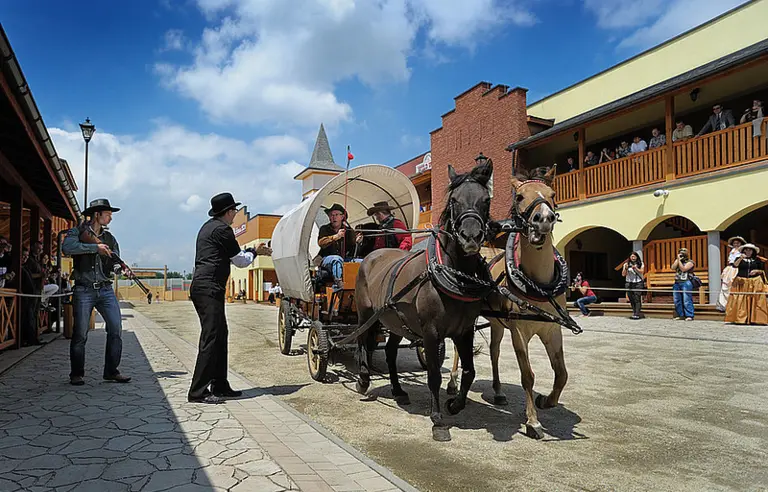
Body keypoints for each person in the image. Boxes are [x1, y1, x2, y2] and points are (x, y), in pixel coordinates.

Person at [188, 192, 272, 404]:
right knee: (211, 337)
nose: (235, 212)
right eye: (234, 209)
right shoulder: (223, 230)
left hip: (206, 287)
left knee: (220, 334)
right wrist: (256, 251)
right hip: (209, 288)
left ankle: (220, 385)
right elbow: (241, 261)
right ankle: (198, 391)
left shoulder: (208, 227)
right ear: (227, 212)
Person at [62, 198, 130, 386]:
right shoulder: (77, 232)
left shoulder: (110, 239)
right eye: (107, 214)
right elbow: (67, 247)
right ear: (97, 214)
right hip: (83, 289)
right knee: (80, 333)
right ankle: (76, 374)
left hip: (106, 289)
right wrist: (95, 248)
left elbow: (115, 262)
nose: (110, 218)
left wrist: (121, 269)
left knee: (116, 329)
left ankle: (111, 371)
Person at [317, 204, 363, 292]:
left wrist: (357, 242)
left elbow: (353, 250)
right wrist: (336, 236)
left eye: (336, 215)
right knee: (336, 259)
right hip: (326, 259)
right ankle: (339, 284)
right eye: (331, 215)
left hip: (344, 259)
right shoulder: (324, 229)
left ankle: (361, 284)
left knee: (361, 262)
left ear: (342, 217)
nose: (333, 217)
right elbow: (321, 243)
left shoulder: (349, 231)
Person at [725, 244, 768, 325]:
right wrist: (741, 258)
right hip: (742, 281)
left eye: (750, 250)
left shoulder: (757, 260)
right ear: (744, 250)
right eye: (746, 250)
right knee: (740, 299)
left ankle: (755, 318)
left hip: (754, 281)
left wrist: (756, 271)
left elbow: (761, 270)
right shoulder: (739, 258)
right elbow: (735, 266)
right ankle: (740, 318)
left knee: (756, 299)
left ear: (753, 251)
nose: (748, 251)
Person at [20, 246, 44, 346]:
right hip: (26, 296)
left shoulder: (27, 266)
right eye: (23, 256)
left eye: (26, 256)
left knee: (32, 316)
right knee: (28, 317)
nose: (25, 258)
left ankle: (33, 338)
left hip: (33, 294)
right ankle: (28, 339)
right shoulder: (24, 266)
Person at [717, 236, 746, 311]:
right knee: (725, 286)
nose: (736, 244)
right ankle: (724, 304)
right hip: (730, 269)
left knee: (733, 286)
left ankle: (734, 305)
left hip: (737, 269)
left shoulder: (742, 252)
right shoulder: (732, 251)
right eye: (734, 243)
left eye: (738, 243)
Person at [671, 248, 695, 321]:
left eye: (684, 253)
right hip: (677, 282)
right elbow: (673, 268)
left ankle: (689, 315)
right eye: (680, 253)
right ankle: (680, 315)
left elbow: (683, 269)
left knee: (686, 299)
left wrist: (680, 262)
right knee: (677, 299)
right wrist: (678, 260)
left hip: (686, 282)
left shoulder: (690, 262)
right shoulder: (678, 261)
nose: (682, 254)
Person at [622, 251, 645, 320]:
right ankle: (634, 312)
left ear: (637, 257)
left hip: (638, 282)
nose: (633, 258)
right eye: (631, 256)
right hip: (629, 282)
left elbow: (642, 271)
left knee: (637, 298)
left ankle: (637, 314)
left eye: (634, 256)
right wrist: (626, 268)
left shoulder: (641, 263)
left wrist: (636, 268)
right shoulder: (626, 264)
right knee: (631, 298)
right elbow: (623, 274)